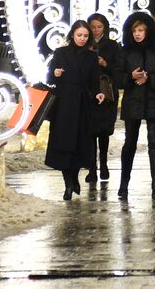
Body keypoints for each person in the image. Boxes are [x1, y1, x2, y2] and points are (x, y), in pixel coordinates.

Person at [46, 20, 106, 199]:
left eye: (86, 36)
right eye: (79, 35)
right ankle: (68, 184)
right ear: (72, 34)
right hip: (64, 104)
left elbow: (94, 81)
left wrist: (98, 94)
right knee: (63, 142)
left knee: (81, 143)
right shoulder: (60, 52)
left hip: (83, 104)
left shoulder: (91, 56)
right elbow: (50, 75)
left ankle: (75, 178)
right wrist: (55, 73)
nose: (82, 38)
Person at [114, 11, 155, 200]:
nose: (137, 34)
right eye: (134, 30)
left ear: (148, 31)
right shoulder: (125, 52)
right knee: (129, 142)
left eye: (140, 30)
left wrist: (150, 79)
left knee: (154, 142)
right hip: (133, 102)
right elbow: (116, 78)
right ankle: (123, 184)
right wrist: (130, 77)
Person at [85, 12, 121, 183]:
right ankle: (92, 168)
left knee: (104, 131)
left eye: (99, 27)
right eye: (93, 27)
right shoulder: (85, 43)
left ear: (105, 28)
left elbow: (120, 69)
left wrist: (105, 64)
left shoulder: (113, 46)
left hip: (107, 93)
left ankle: (104, 164)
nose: (96, 30)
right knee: (90, 132)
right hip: (89, 93)